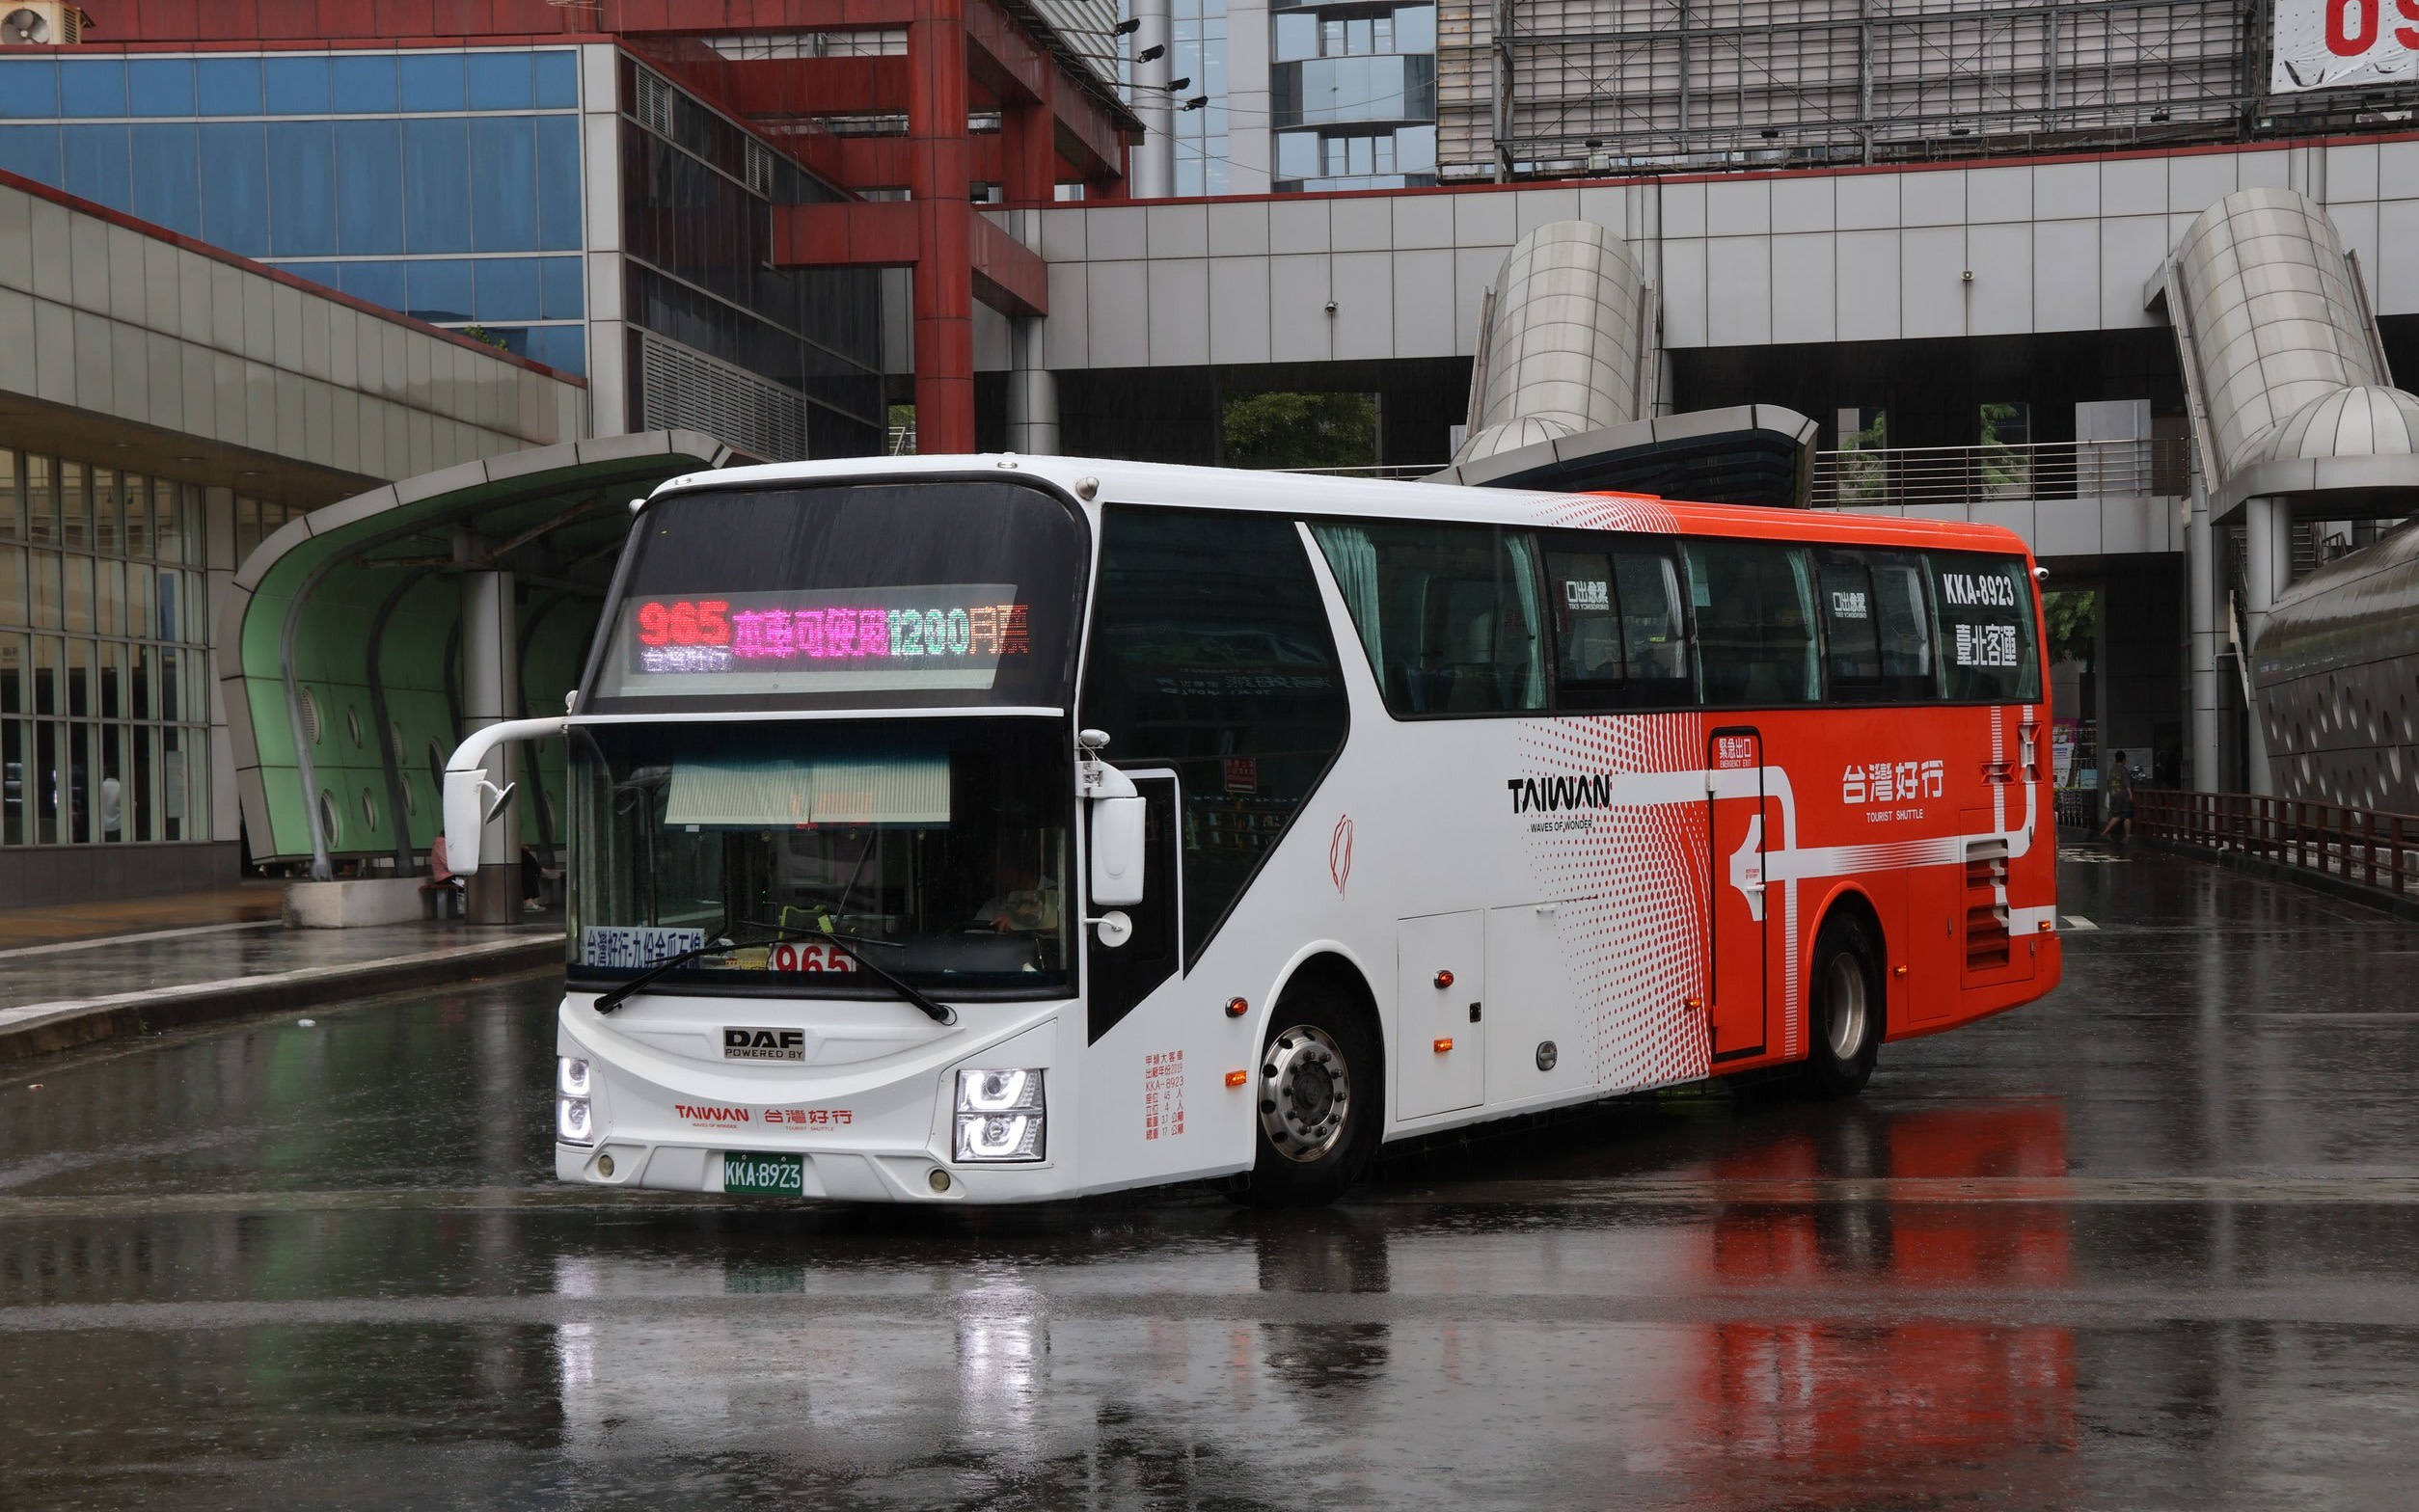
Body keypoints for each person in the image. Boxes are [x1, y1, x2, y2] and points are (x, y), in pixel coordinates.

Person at [2097, 767, 2137, 843]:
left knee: (2118, 816)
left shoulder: (2112, 771)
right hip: (2124, 799)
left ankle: (2105, 832)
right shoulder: (2124, 772)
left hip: (2115, 798)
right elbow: (2127, 785)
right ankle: (2128, 836)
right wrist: (2130, 794)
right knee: (2127, 816)